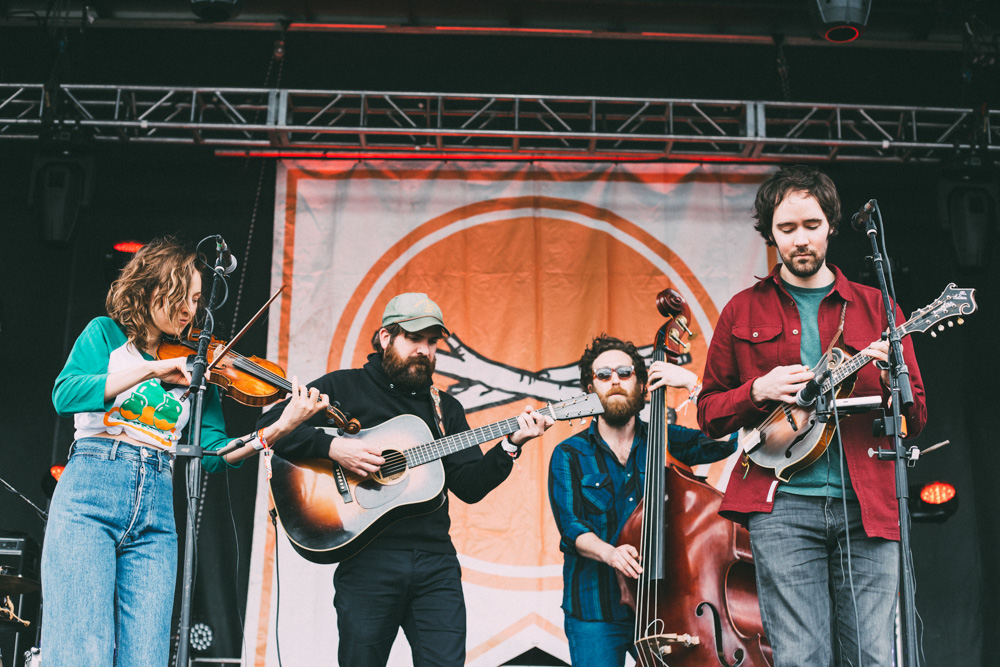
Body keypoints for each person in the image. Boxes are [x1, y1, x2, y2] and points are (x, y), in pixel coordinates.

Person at [43, 236, 329, 666]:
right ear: (148, 290)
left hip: (157, 508)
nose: (189, 311)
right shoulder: (105, 336)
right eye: (181, 297)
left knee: (147, 657)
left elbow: (214, 453)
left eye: (196, 300)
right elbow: (65, 395)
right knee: (83, 650)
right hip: (90, 493)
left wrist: (279, 427)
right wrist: (156, 368)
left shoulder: (200, 369)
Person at [696, 166, 928, 667]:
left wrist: (894, 378)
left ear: (830, 226)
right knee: (801, 657)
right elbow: (708, 414)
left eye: (811, 225)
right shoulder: (741, 310)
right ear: (769, 233)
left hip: (868, 504)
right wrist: (756, 389)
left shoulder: (879, 309)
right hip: (782, 506)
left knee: (872, 655)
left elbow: (919, 414)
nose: (800, 239)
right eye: (787, 228)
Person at [257, 292, 554, 667]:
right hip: (367, 559)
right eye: (414, 339)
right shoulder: (345, 387)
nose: (424, 351)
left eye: (432, 343)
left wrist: (511, 445)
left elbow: (469, 485)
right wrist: (333, 449)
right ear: (385, 337)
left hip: (435, 562)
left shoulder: (445, 408)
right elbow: (269, 426)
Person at [547, 334, 737, 667]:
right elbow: (570, 526)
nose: (615, 381)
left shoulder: (666, 439)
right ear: (590, 391)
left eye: (624, 373)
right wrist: (611, 553)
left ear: (643, 386)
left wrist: (694, 385)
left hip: (665, 606)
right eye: (603, 376)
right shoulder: (569, 454)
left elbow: (725, 440)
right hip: (594, 608)